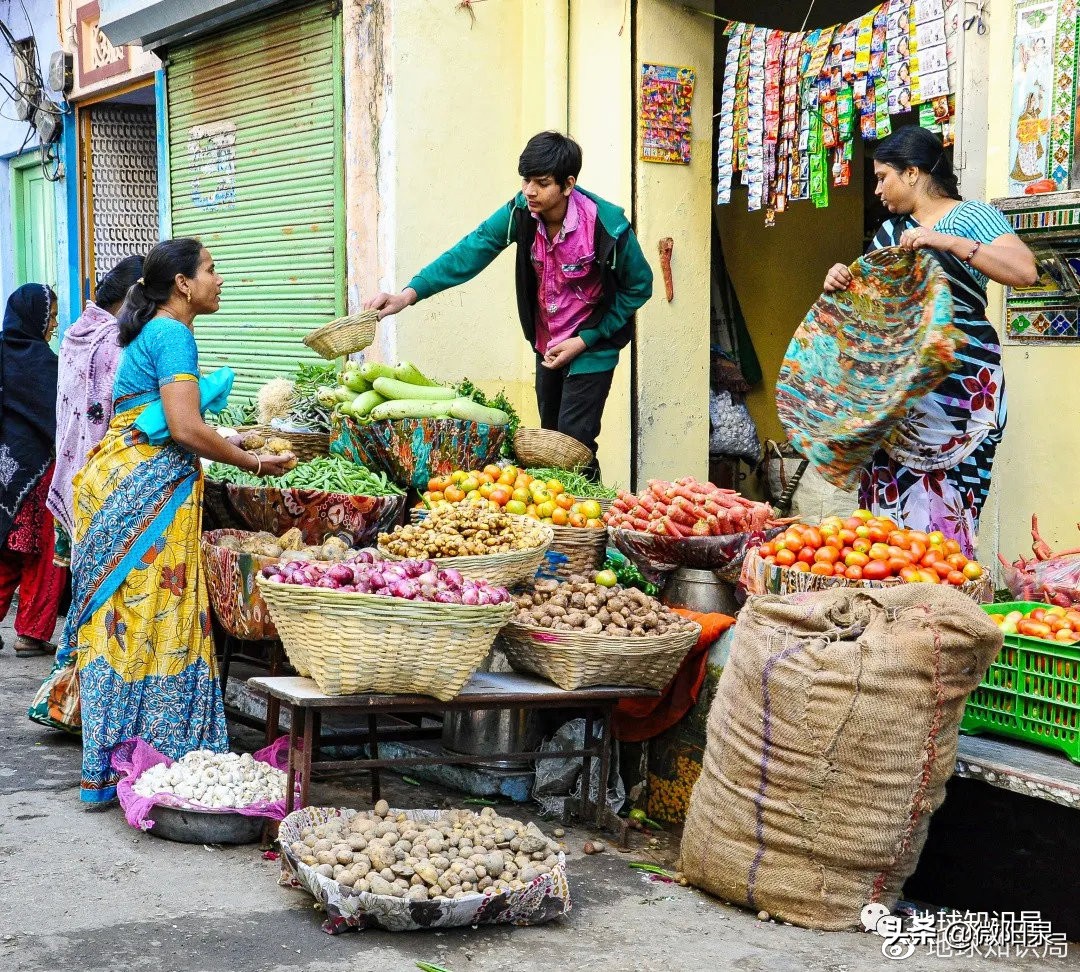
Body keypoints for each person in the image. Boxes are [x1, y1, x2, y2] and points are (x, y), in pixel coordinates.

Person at [65, 238, 293, 804]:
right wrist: (252, 462)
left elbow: (169, 420)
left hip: (125, 482)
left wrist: (231, 443)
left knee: (129, 623)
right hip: (144, 490)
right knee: (151, 618)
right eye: (212, 270)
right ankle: (154, 760)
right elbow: (186, 428)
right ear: (183, 285)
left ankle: (121, 763)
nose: (220, 280)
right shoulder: (172, 334)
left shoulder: (156, 330)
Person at [364, 131, 653, 478]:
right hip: (548, 345)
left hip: (592, 345)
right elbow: (472, 249)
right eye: (525, 180)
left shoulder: (607, 227)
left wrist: (586, 339)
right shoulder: (520, 212)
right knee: (550, 442)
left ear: (568, 184)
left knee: (574, 444)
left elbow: (640, 286)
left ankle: (591, 510)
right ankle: (563, 509)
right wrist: (407, 295)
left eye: (541, 183)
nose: (529, 190)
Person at [823, 128, 1037, 556]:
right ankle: (894, 594)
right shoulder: (890, 232)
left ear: (913, 173)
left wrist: (948, 242)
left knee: (949, 518)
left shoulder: (971, 216)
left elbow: (1024, 271)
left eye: (883, 177)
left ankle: (942, 593)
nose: (878, 189)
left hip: (961, 392)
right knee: (884, 531)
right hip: (900, 397)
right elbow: (875, 312)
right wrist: (840, 281)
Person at [29, 255, 144, 733]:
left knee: (85, 597)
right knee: (103, 602)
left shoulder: (78, 334)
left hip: (71, 474)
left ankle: (68, 702)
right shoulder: (111, 343)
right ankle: (83, 705)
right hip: (98, 484)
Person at [0, 284, 66, 656]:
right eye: (51, 317)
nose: (53, 324)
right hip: (39, 471)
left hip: (6, 472)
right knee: (44, 552)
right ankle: (31, 633)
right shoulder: (43, 362)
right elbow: (61, 416)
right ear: (35, 318)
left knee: (6, 549)